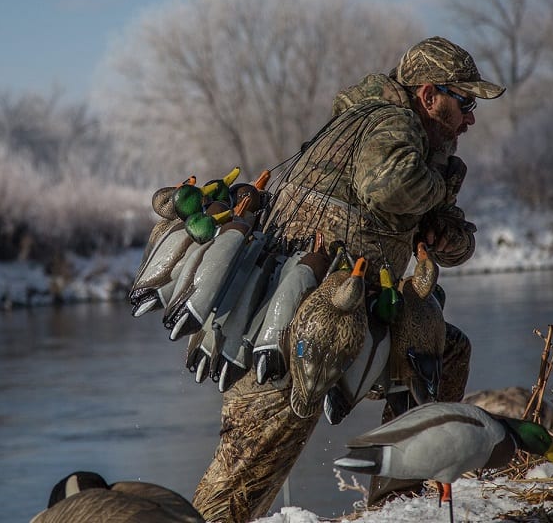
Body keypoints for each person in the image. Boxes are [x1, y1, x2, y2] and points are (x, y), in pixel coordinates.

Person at [190, 36, 505, 522]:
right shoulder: (389, 121)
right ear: (428, 96)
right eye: (463, 101)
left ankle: (397, 504)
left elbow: (457, 239)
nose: (471, 117)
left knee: (445, 352)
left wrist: (446, 233)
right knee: (243, 475)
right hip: (289, 320)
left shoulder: (418, 143)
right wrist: (439, 190)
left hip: (349, 316)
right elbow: (389, 182)